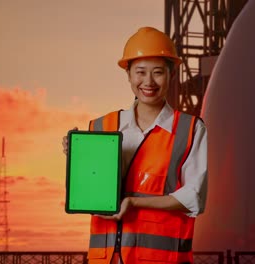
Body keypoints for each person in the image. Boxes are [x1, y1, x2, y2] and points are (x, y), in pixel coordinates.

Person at [63, 27, 208, 264]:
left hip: (162, 259)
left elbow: (194, 197)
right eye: (140, 72)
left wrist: (135, 203)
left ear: (171, 75)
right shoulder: (101, 126)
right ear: (128, 74)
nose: (148, 81)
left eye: (158, 72)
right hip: (106, 259)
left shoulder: (190, 130)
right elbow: (89, 193)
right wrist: (78, 156)